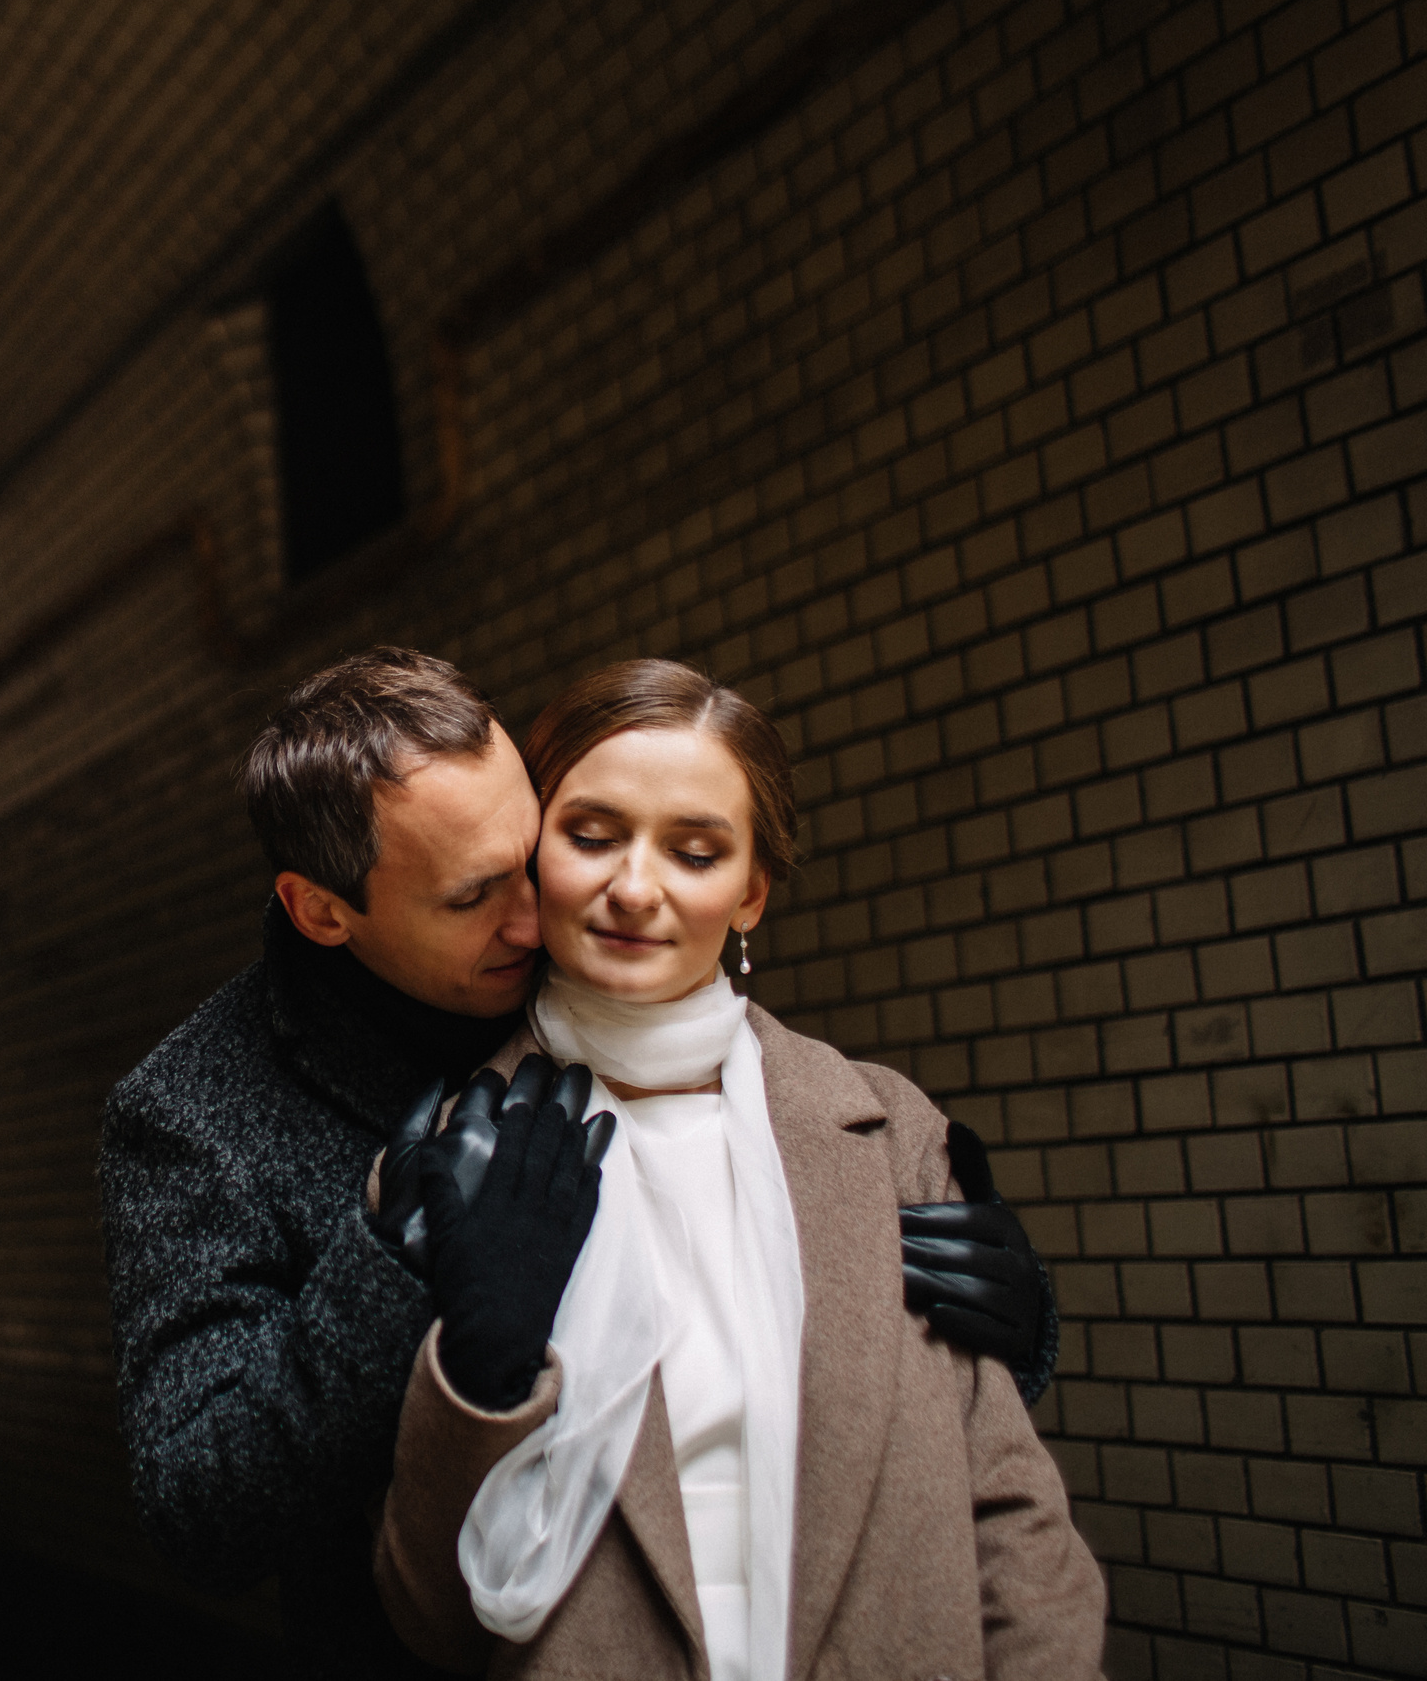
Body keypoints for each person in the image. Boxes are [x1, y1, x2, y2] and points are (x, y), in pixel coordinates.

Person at [98, 648, 1056, 1676]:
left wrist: (998, 1327)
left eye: (532, 854)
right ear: (324, 910)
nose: (537, 915)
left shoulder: (616, 977)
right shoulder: (197, 1115)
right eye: (472, 898)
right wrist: (394, 1275)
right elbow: (203, 1513)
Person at [373, 660, 1104, 1679]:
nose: (636, 887)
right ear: (531, 855)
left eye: (696, 850)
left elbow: (1011, 1510)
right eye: (590, 836)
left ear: (750, 892)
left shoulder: (888, 1131)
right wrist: (481, 1374)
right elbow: (425, 1614)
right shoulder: (454, 1158)